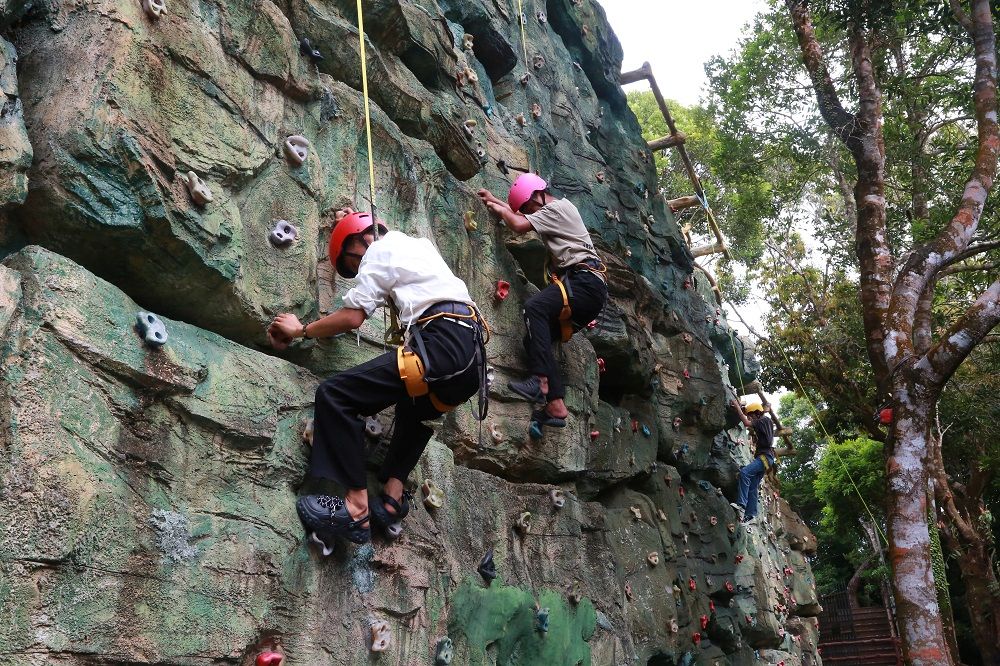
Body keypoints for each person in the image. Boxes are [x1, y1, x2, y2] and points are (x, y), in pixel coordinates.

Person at [268, 209, 487, 553]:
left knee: (336, 395)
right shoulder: (420, 247)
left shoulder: (378, 251)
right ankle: (390, 501)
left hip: (443, 343)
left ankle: (355, 509)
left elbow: (353, 317)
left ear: (360, 241)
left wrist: (302, 330)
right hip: (470, 360)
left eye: (351, 264)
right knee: (414, 404)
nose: (356, 271)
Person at [476, 174, 607, 436]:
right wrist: (495, 201)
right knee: (535, 341)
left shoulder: (556, 208)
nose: (528, 212)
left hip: (584, 282)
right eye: (525, 209)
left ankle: (540, 382)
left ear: (538, 195)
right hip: (589, 290)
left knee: (534, 307)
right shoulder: (556, 209)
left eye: (527, 207)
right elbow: (521, 217)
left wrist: (501, 208)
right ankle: (555, 404)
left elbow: (518, 225)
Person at [729, 400, 775, 523]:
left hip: (764, 457)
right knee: (753, 486)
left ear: (757, 413)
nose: (750, 417)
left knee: (744, 473)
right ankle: (750, 514)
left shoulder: (762, 421)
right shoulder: (766, 422)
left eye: (751, 414)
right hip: (768, 459)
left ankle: (741, 504)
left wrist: (738, 408)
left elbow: (746, 422)